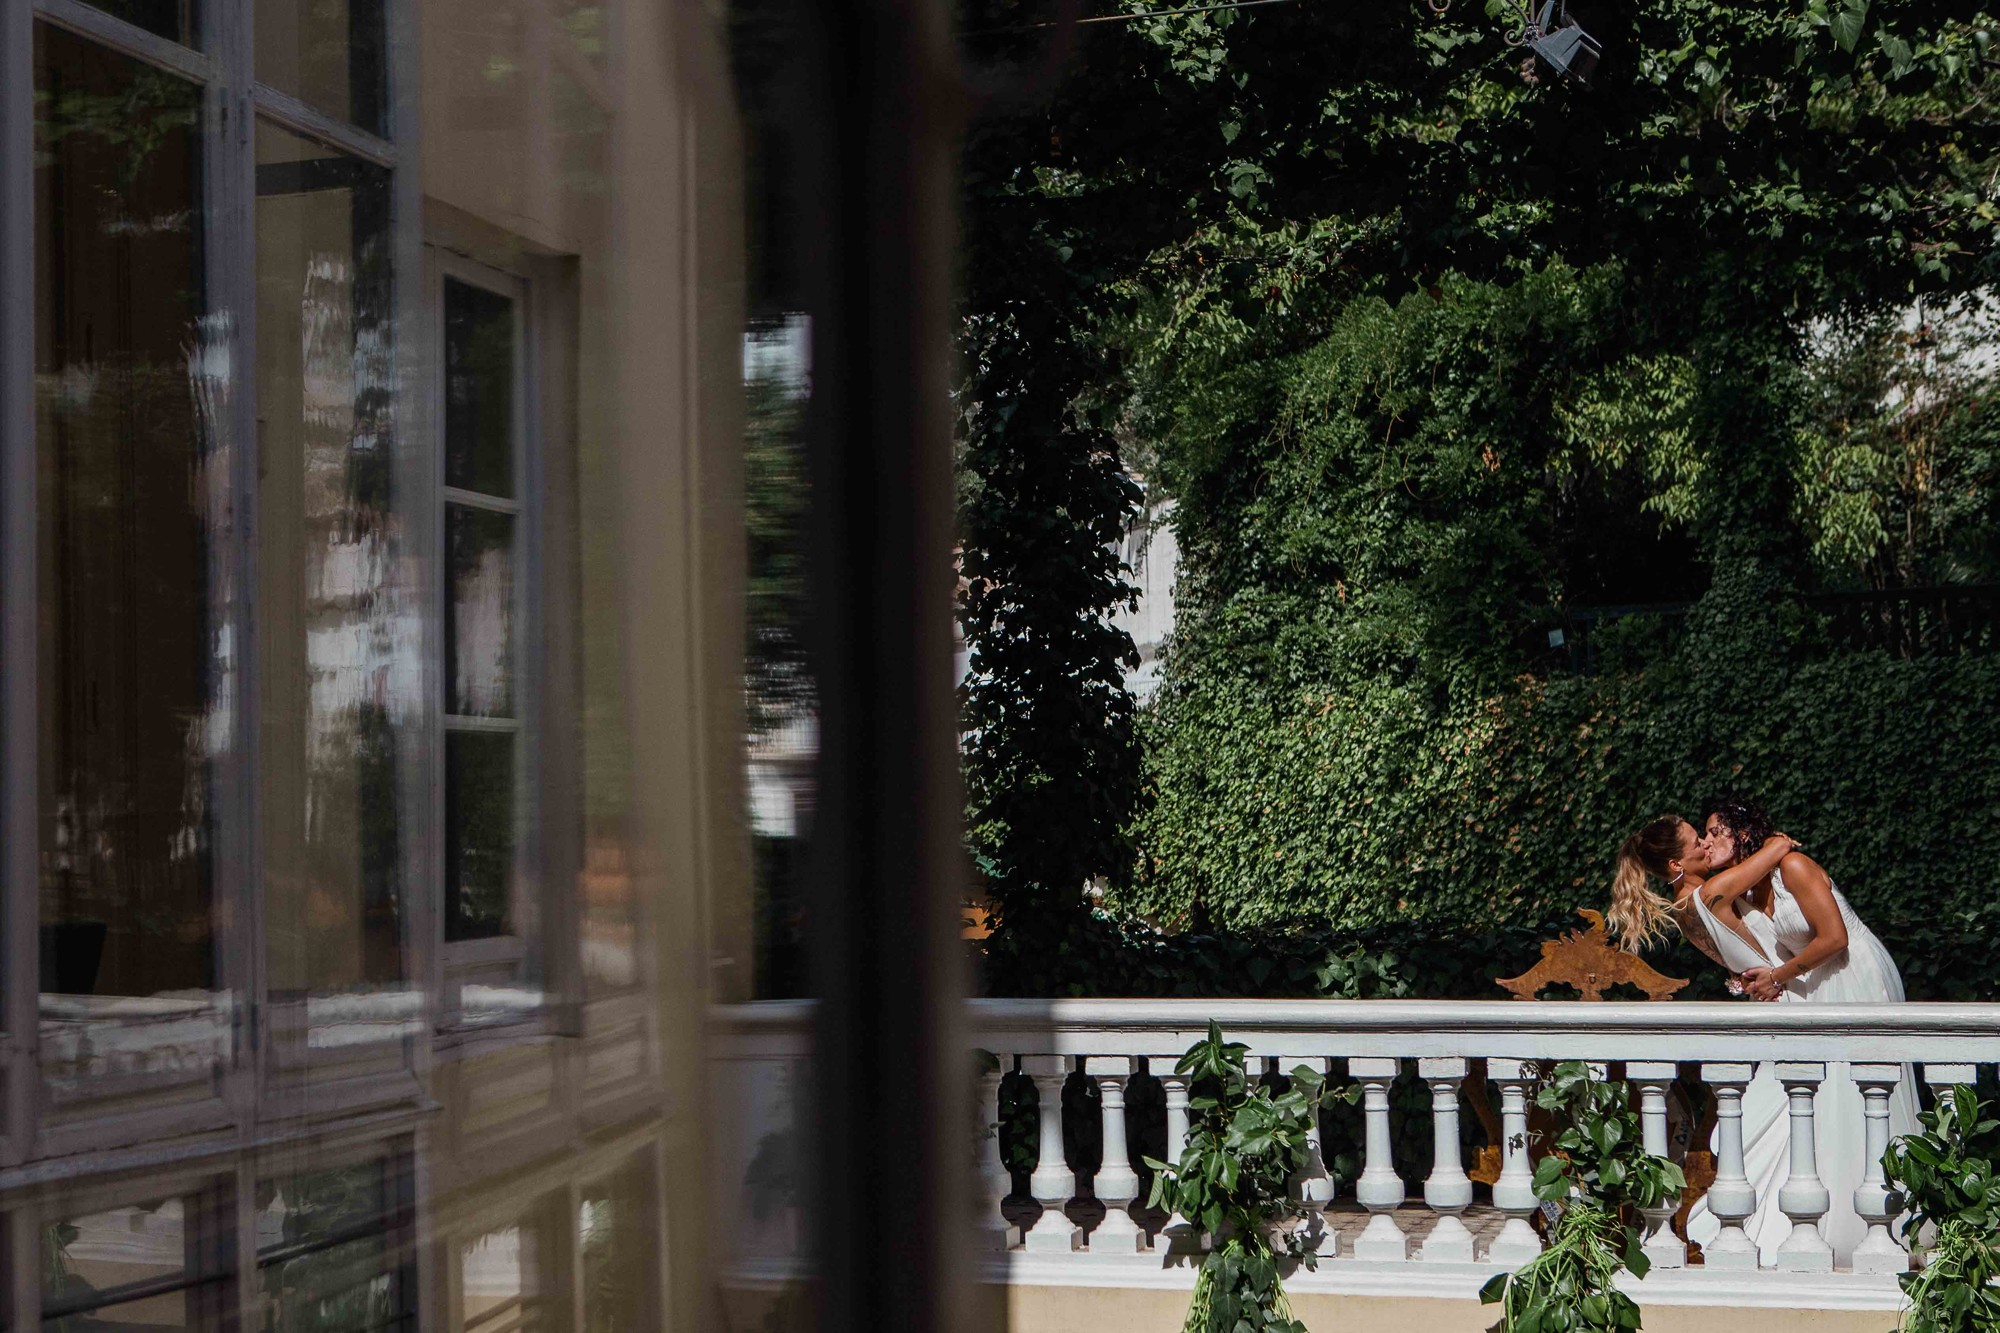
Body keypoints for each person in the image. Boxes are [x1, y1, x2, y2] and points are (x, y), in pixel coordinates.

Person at [1608, 800, 1920, 1268]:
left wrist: (1752, 978)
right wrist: (1773, 842)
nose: (1707, 843)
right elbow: (1774, 851)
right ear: (1676, 863)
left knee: (1838, 1100)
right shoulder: (1711, 892)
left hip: (1836, 983)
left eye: (1712, 833)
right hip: (1800, 994)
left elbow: (1749, 953)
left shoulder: (1694, 904)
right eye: (1699, 840)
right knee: (1822, 1105)